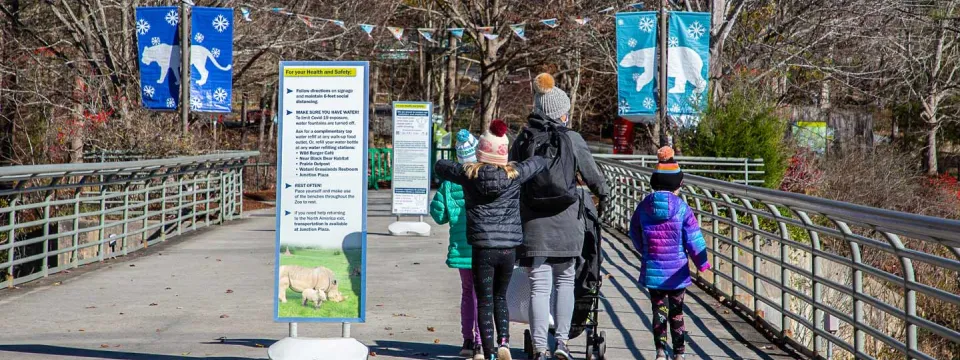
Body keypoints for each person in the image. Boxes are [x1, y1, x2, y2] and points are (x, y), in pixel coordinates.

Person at [510, 73, 609, 360]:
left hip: (533, 222)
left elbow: (513, 176)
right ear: (560, 113)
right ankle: (563, 343)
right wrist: (605, 196)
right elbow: (594, 178)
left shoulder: (523, 139)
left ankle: (541, 348)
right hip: (567, 220)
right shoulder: (572, 139)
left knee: (539, 286)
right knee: (566, 280)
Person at [435, 120, 547, 360]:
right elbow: (537, 163)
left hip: (482, 249)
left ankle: (489, 353)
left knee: (484, 300)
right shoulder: (514, 175)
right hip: (508, 250)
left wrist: (467, 164)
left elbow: (441, 166)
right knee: (500, 297)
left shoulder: (469, 175)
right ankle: (504, 341)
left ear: (481, 151)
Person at [629, 146, 711, 360]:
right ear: (678, 184)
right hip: (677, 272)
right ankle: (679, 353)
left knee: (659, 311)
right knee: (676, 312)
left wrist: (644, 250)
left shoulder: (644, 206)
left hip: (653, 269)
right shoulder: (683, 208)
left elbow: (634, 231)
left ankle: (659, 352)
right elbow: (694, 238)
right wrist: (702, 263)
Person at [430, 129, 483, 360]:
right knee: (483, 295)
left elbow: (438, 215)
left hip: (461, 248)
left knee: (467, 292)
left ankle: (467, 340)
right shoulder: (484, 177)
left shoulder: (449, 183)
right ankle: (482, 341)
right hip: (483, 247)